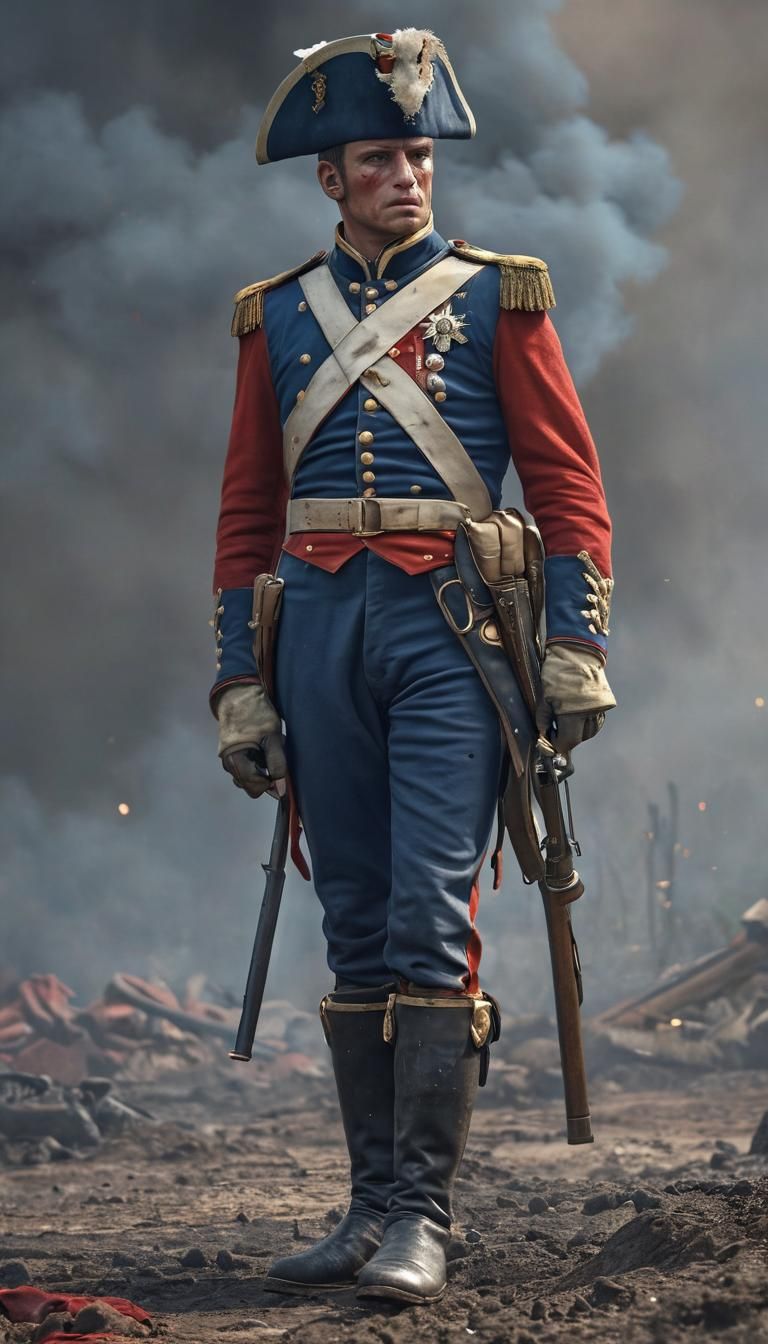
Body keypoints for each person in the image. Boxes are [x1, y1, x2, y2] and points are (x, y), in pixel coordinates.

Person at [210, 30, 615, 1304]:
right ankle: (369, 1204)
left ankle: (420, 1218)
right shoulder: (276, 316)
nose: (409, 178)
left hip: (453, 637)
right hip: (322, 635)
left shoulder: (502, 296)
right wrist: (239, 678)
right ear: (330, 180)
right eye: (381, 158)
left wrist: (573, 644)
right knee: (354, 925)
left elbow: (567, 487)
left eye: (419, 155)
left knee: (432, 917)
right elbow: (243, 514)